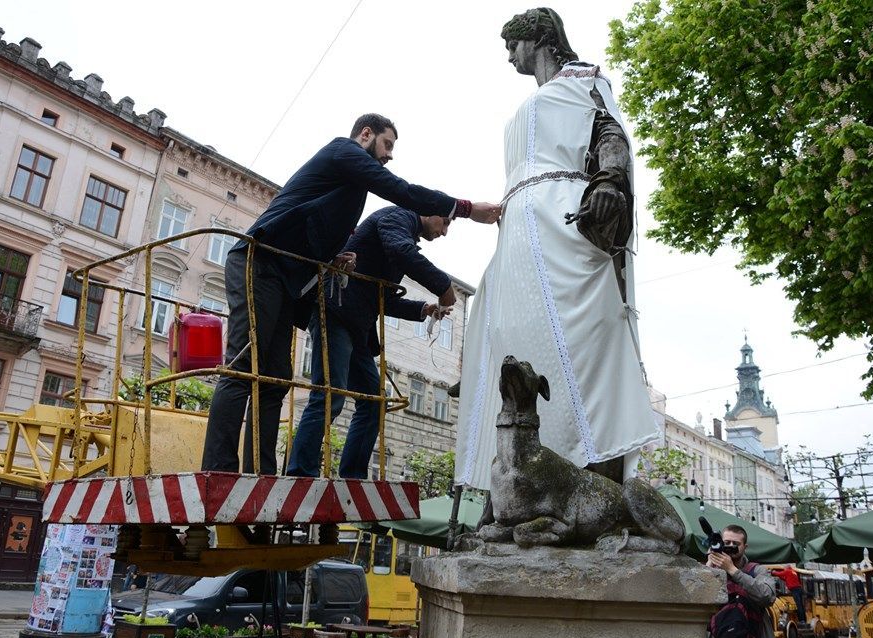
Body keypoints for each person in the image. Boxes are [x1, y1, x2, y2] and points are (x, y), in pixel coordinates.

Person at [201, 114, 501, 475]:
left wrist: (332, 257)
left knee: (276, 374)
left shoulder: (348, 189)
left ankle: (260, 474)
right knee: (245, 366)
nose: (389, 155)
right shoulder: (343, 151)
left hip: (287, 276)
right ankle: (219, 470)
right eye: (387, 144)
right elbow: (402, 191)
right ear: (366, 134)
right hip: (259, 260)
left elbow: (311, 223)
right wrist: (466, 209)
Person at [454, 8, 659, 490]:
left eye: (513, 46)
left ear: (540, 38)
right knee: (512, 337)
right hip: (519, 228)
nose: (509, 57)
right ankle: (516, 477)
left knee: (585, 333)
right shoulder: (532, 101)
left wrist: (609, 179)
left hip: (562, 213)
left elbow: (610, 133)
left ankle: (595, 472)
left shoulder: (585, 79)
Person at [287, 206, 455, 478]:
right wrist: (443, 286)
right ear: (426, 210)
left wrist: (423, 308)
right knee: (330, 395)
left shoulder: (402, 233)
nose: (444, 232)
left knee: (375, 402)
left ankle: (352, 477)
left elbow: (382, 299)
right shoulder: (398, 219)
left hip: (355, 326)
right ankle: (300, 474)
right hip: (337, 313)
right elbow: (401, 251)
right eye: (444, 222)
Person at [707, 524, 777, 638]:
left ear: (745, 547)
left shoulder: (757, 570)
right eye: (727, 542)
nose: (731, 546)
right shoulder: (713, 570)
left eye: (736, 544)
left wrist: (733, 570)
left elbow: (767, 597)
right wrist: (709, 565)